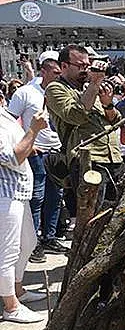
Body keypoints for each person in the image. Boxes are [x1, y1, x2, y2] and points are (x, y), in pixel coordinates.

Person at [7, 51, 68, 262]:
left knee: (56, 196)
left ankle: (49, 237)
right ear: (43, 71)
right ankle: (33, 243)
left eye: (61, 72)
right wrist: (27, 143)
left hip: (56, 150)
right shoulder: (25, 93)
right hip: (37, 152)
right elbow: (10, 120)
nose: (58, 75)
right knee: (36, 198)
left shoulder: (62, 91)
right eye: (54, 72)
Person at [45, 45, 122, 202]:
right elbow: (75, 116)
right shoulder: (55, 88)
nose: (86, 69)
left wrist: (108, 104)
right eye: (81, 66)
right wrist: (94, 85)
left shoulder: (90, 87)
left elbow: (116, 120)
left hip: (113, 158)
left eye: (88, 65)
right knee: (92, 215)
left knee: (119, 210)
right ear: (64, 66)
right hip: (87, 161)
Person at [0, 104, 48, 323]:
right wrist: (34, 129)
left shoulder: (3, 114)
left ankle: (18, 289)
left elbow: (18, 148)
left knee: (28, 242)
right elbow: (12, 158)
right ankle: (11, 306)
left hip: (18, 190)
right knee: (7, 252)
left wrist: (30, 143)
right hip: (4, 193)